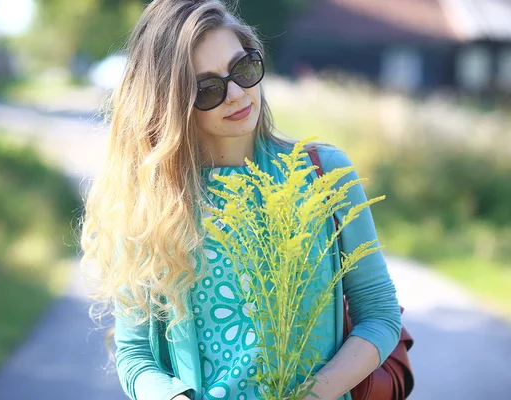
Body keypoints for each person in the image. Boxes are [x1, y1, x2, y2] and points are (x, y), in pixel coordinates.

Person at [79, 1, 402, 399]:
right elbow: (135, 354)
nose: (236, 93)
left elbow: (379, 315)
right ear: (171, 101)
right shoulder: (152, 205)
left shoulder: (323, 175)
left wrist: (314, 395)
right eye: (208, 88)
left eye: (243, 68)